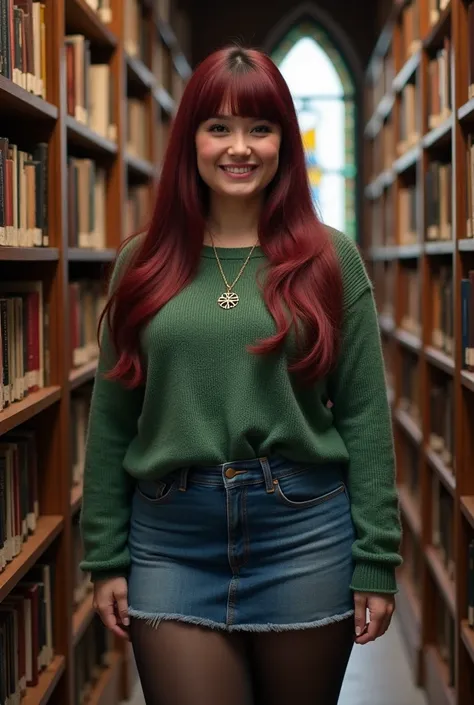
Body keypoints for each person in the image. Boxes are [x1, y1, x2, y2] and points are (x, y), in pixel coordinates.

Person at [80, 45, 402, 705]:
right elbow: (112, 417)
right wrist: (105, 554)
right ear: (189, 140)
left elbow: (366, 414)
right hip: (171, 537)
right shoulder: (142, 263)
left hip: (303, 529)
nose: (240, 147)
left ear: (284, 139)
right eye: (218, 127)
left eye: (260, 127)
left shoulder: (330, 258)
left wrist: (377, 557)